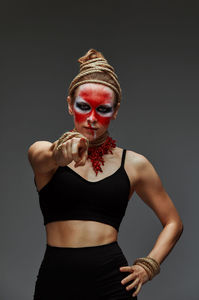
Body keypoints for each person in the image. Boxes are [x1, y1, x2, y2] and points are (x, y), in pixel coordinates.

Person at [28, 48, 183, 300]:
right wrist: (61, 153)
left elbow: (174, 222)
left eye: (103, 109)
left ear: (116, 110)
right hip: (55, 282)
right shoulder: (43, 153)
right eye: (83, 106)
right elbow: (46, 157)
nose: (91, 118)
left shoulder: (134, 164)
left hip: (112, 283)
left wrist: (148, 266)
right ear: (69, 105)